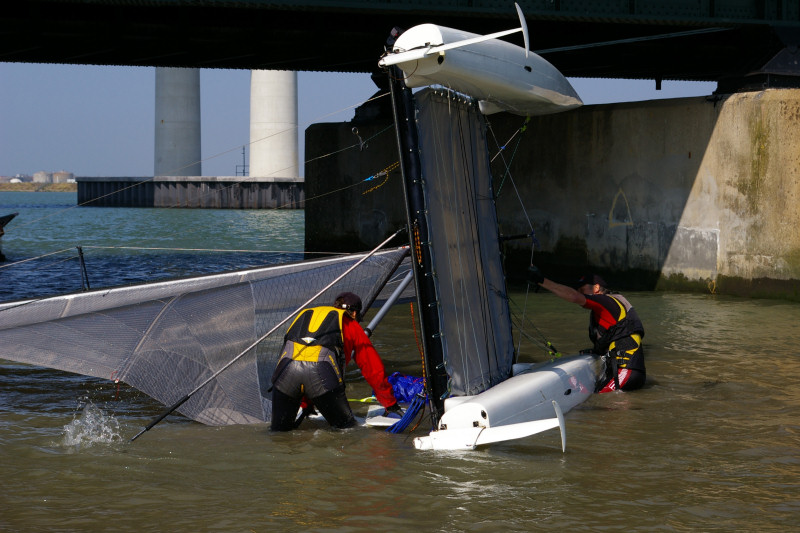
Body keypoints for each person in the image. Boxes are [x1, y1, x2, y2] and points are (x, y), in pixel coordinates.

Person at [270, 291, 403, 431]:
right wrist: (390, 403)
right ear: (355, 314)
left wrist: (306, 404)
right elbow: (373, 368)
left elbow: (299, 359)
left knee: (279, 434)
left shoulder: (308, 315)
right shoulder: (350, 323)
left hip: (284, 376)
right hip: (320, 378)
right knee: (347, 432)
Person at [527, 266, 646, 392]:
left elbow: (573, 297)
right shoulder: (604, 311)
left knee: (598, 400)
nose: (579, 291)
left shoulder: (607, 302)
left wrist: (541, 280)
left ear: (596, 288)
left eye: (582, 288)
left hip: (626, 371)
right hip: (628, 371)